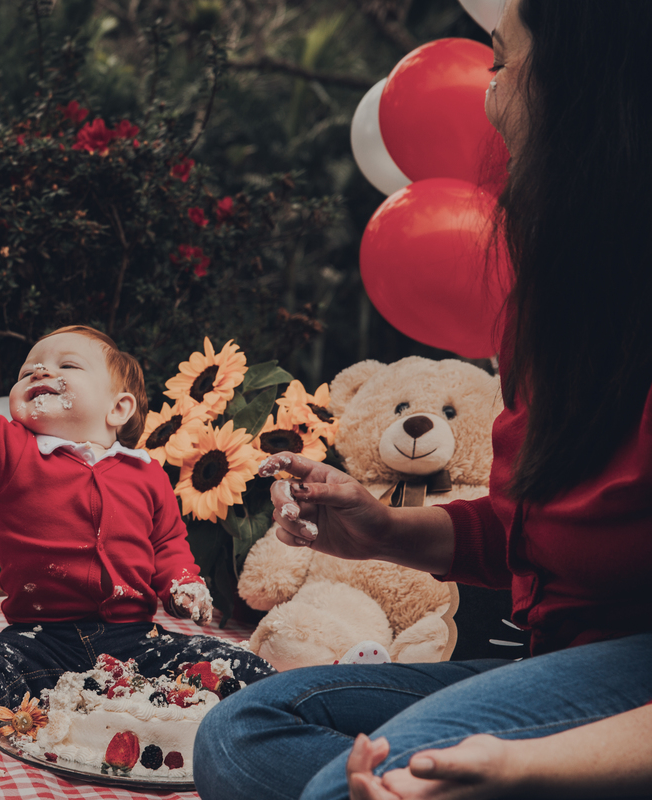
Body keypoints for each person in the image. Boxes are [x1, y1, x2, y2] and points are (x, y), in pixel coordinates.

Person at [192, 2, 652, 799]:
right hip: (558, 665)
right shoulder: (571, 296)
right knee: (238, 735)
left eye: (502, 61)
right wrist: (383, 529)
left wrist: (524, 769)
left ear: (582, 81)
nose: (486, 94)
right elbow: (540, 530)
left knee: (349, 788)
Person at [0, 323, 274, 756]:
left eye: (67, 365)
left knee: (223, 657)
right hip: (41, 639)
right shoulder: (11, 451)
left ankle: (281, 700)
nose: (40, 371)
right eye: (27, 372)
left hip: (134, 640)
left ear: (118, 408)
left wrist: (183, 582)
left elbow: (169, 542)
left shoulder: (147, 474)